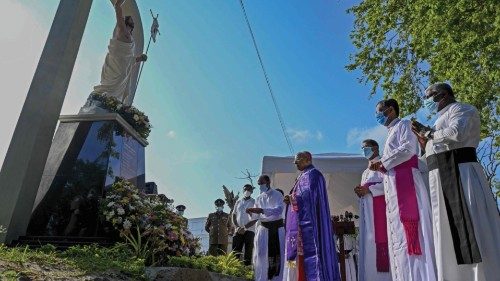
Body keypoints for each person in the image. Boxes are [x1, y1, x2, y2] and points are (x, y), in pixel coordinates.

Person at [411, 82, 500, 281]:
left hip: (460, 174)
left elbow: (457, 133)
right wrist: (425, 144)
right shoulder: (436, 122)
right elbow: (431, 154)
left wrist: (429, 133)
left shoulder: (462, 109)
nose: (426, 101)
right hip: (441, 179)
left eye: (429, 96)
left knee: (471, 226)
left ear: (442, 95)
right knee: (445, 231)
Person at [371, 99, 436, 281]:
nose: (377, 116)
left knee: (414, 237)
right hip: (393, 185)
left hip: (406, 182)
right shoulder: (390, 132)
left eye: (379, 112)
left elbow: (408, 150)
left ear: (390, 110)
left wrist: (382, 162)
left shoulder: (404, 124)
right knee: (398, 237)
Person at [283, 151, 340, 281]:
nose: (295, 163)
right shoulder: (301, 176)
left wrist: (293, 199)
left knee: (310, 256)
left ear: (308, 159)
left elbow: (309, 198)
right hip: (298, 225)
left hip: (310, 225)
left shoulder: (313, 175)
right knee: (298, 258)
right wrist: (291, 199)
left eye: (298, 160)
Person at [84, 0, 147, 109]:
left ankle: (110, 103)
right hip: (114, 62)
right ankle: (99, 98)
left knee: (121, 83)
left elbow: (129, 59)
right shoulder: (121, 30)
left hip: (123, 67)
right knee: (109, 85)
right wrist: (118, 5)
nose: (132, 19)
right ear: (126, 22)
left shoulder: (131, 39)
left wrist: (139, 58)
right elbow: (118, 14)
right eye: (130, 18)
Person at [355, 139, 391, 281]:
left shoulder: (383, 164)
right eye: (362, 148)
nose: (364, 151)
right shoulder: (365, 171)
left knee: (377, 245)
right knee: (367, 247)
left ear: (375, 148)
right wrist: (360, 191)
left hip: (379, 214)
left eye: (366, 148)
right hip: (367, 214)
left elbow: (389, 184)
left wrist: (369, 189)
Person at [246, 175, 285, 281]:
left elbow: (279, 210)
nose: (260, 186)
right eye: (258, 184)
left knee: (278, 256)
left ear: (268, 182)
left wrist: (262, 210)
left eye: (261, 183)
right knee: (261, 256)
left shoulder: (277, 195)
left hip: (277, 229)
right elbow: (256, 216)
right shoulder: (259, 198)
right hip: (263, 230)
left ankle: (277, 279)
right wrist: (251, 212)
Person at [232, 184, 257, 265]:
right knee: (235, 252)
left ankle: (247, 271)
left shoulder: (254, 202)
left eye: (249, 190)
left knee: (248, 252)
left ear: (252, 191)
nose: (247, 191)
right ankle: (233, 269)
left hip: (249, 230)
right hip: (238, 230)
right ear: (243, 191)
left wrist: (245, 228)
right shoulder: (238, 202)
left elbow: (255, 218)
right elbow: (234, 215)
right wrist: (237, 227)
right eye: (245, 189)